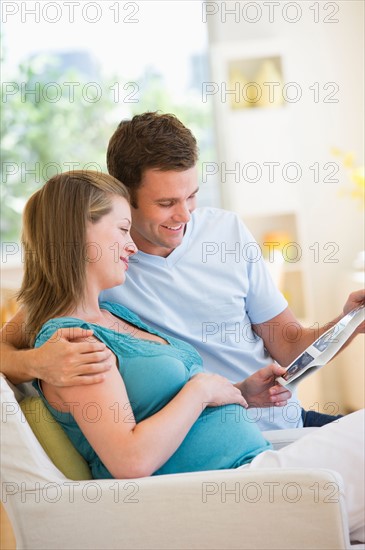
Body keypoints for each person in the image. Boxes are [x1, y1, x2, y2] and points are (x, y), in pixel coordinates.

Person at [16, 171, 365, 544]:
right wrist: (199, 390)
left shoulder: (113, 315)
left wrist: (238, 392)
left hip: (256, 472)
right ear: (78, 238)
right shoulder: (72, 344)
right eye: (121, 230)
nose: (130, 245)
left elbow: (161, 405)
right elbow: (128, 460)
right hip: (234, 494)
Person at [1, 112, 364, 430]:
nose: (185, 215)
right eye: (166, 203)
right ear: (124, 197)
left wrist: (349, 322)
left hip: (286, 421)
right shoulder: (99, 270)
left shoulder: (227, 231)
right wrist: (37, 363)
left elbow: (288, 345)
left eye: (192, 196)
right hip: (220, 443)